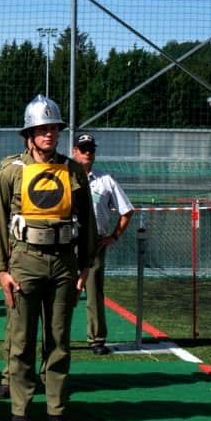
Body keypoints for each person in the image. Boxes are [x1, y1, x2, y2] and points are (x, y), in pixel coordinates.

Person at [0, 95, 94, 421]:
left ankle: (56, 408)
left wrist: (85, 266)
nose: (49, 134)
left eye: (53, 128)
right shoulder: (11, 171)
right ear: (29, 134)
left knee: (59, 340)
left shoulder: (73, 170)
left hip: (64, 261)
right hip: (25, 260)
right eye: (42, 129)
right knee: (21, 340)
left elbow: (88, 221)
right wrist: (1, 270)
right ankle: (20, 409)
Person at [71, 133, 134, 355]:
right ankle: (57, 338)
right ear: (74, 152)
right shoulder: (64, 176)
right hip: (66, 241)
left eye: (91, 149)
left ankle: (96, 339)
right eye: (83, 149)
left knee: (94, 292)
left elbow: (127, 211)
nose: (88, 152)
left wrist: (113, 237)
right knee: (61, 291)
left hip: (95, 243)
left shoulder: (106, 180)